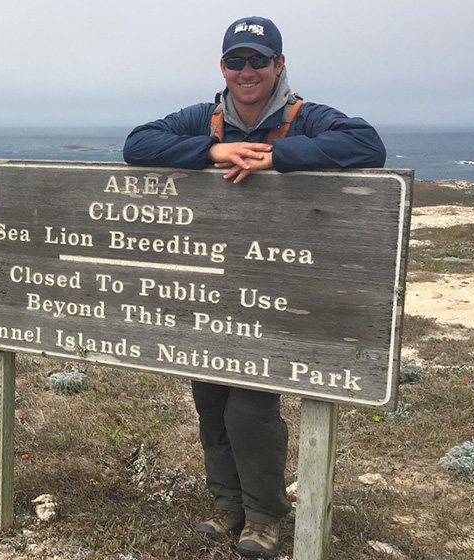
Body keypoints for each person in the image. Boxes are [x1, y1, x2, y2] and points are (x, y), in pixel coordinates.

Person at [122, 16, 386, 559]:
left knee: (250, 408)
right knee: (210, 400)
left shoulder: (303, 117)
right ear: (223, 67)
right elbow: (138, 143)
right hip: (213, 294)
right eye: (237, 61)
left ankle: (264, 517)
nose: (247, 71)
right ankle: (226, 507)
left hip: (274, 297)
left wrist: (280, 157)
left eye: (259, 61)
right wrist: (210, 151)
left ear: (278, 64)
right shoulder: (204, 117)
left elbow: (367, 144)